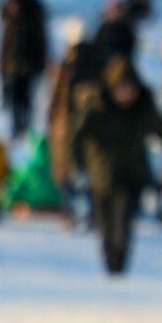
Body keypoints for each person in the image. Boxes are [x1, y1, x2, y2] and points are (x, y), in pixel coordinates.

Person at [70, 58, 162, 276]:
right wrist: (78, 166)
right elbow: (77, 137)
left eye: (129, 89)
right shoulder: (97, 108)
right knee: (105, 223)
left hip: (133, 175)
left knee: (124, 222)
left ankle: (120, 265)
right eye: (120, 89)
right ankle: (110, 264)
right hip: (103, 176)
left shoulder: (143, 108)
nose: (125, 95)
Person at [46, 16, 102, 223]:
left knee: (67, 169)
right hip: (83, 123)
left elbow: (60, 96)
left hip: (68, 123)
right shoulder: (98, 60)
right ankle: (87, 210)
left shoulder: (71, 63)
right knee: (84, 169)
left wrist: (52, 117)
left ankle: (72, 210)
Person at [0, 0, 48, 142]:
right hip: (14, 62)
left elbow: (41, 37)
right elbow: (6, 40)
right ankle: (17, 128)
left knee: (27, 98)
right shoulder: (11, 6)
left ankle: (25, 129)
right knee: (15, 98)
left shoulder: (35, 7)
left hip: (29, 62)